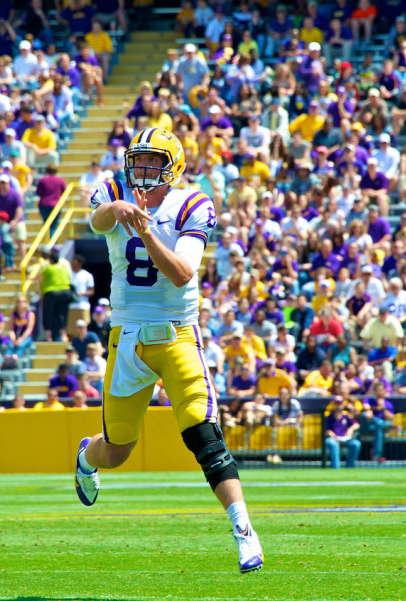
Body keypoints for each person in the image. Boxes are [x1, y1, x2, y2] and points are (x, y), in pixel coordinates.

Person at [74, 127, 263, 573]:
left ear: (172, 166)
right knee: (117, 450)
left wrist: (147, 231)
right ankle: (87, 456)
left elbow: (181, 273)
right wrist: (115, 209)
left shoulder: (193, 203)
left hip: (177, 331)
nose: (141, 171)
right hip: (127, 333)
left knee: (204, 432)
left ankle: (244, 530)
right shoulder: (115, 189)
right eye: (137, 161)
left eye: (151, 163)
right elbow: (97, 222)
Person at [324, 396, 361, 469]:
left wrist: (351, 429)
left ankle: (349, 467)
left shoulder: (346, 416)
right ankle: (336, 468)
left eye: (339, 404)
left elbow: (356, 424)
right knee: (332, 443)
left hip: (344, 439)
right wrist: (334, 437)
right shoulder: (329, 417)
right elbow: (327, 431)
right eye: (336, 404)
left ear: (342, 405)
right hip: (333, 439)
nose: (338, 406)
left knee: (356, 444)